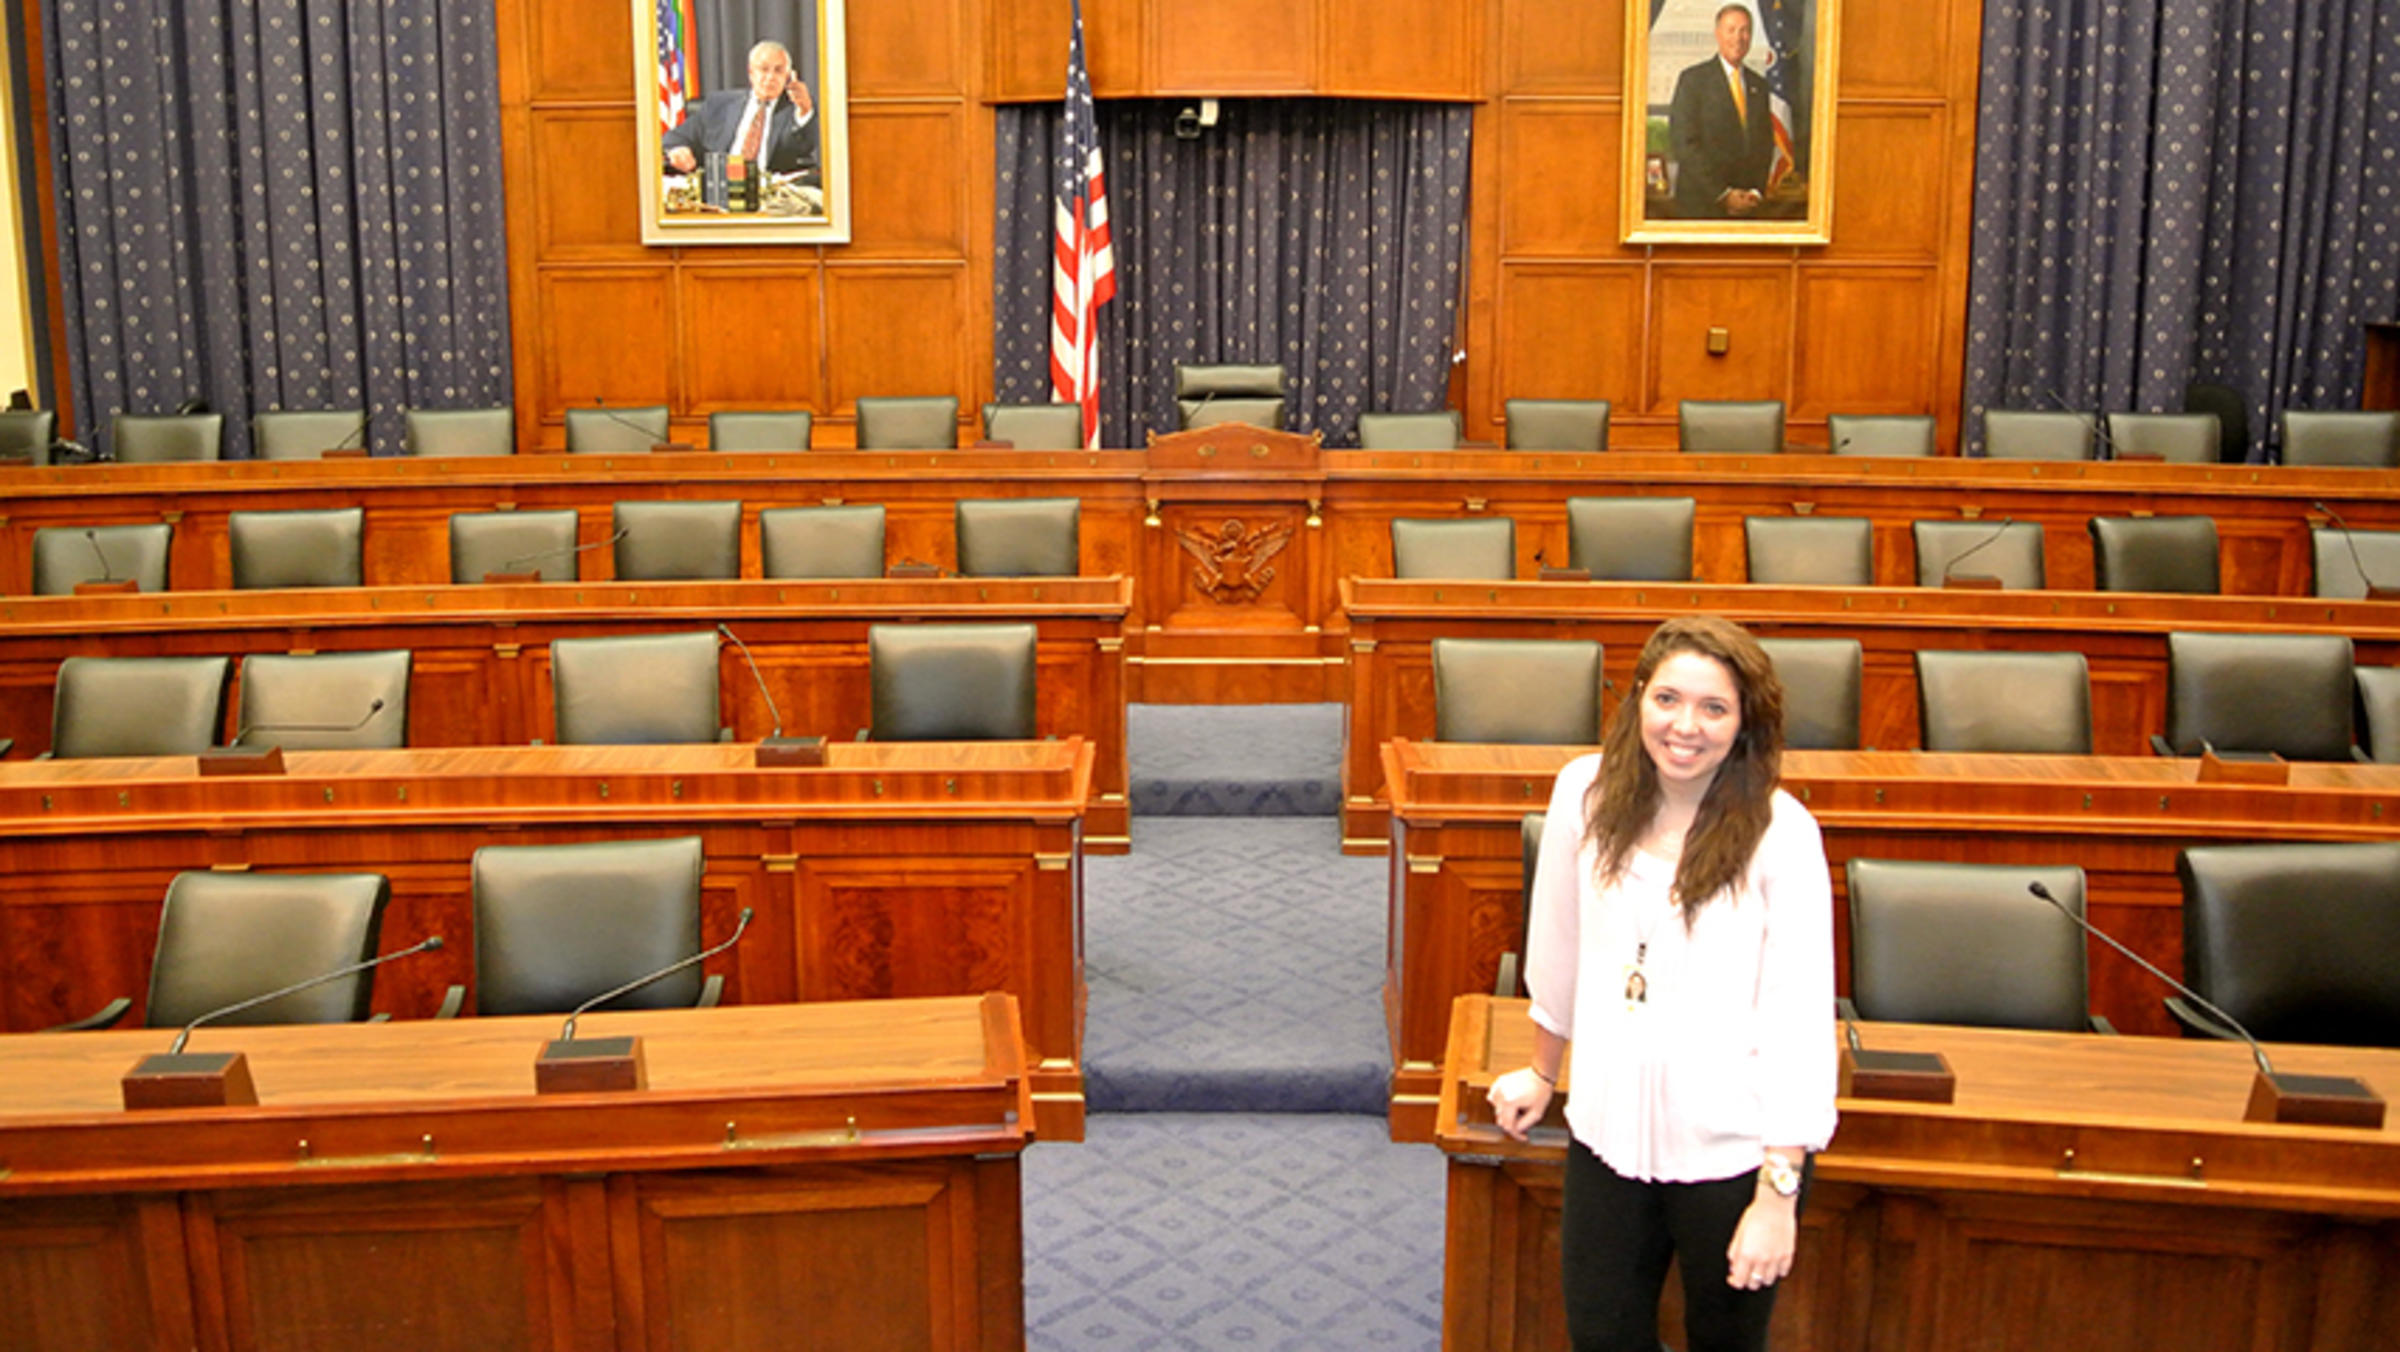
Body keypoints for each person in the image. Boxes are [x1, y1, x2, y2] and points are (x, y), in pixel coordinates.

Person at [1488, 615, 1835, 1352]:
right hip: (1605, 1136)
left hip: (1732, 1156)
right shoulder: (1583, 791)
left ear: (1745, 723)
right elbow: (1557, 946)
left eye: (1714, 708)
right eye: (1668, 699)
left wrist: (1779, 1196)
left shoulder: (1783, 832)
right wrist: (1542, 1072)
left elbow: (1798, 1017)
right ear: (1637, 698)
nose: (1686, 727)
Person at [1668, 5, 1777, 217]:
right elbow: (1684, 144)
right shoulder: (1693, 80)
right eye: (1731, 30)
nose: (1738, 38)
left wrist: (1755, 192)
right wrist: (1723, 195)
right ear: (1718, 34)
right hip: (1702, 206)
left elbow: (1765, 144)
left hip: (1748, 208)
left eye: (1745, 31)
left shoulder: (1759, 85)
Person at [662, 39, 820, 184]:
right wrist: (678, 148)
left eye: (778, 71)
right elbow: (675, 137)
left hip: (772, 193)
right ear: (751, 73)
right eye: (763, 69)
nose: (770, 77)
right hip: (720, 190)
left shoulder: (797, 109)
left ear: (788, 75)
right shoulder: (719, 104)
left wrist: (804, 110)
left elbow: (805, 146)